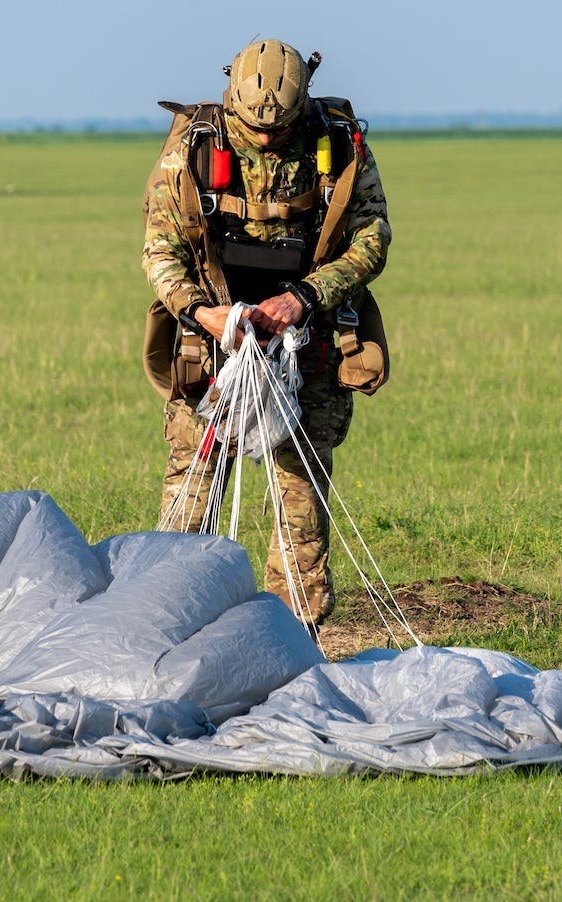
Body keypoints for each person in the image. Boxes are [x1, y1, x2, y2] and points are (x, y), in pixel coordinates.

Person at [140, 39, 391, 625]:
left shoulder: (339, 143)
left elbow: (372, 240)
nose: (264, 139)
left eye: (278, 130)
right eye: (253, 129)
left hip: (307, 345)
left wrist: (303, 298)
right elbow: (160, 251)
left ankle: (294, 641)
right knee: (190, 500)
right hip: (213, 345)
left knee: (299, 503)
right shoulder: (195, 146)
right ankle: (169, 627)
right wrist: (205, 314)